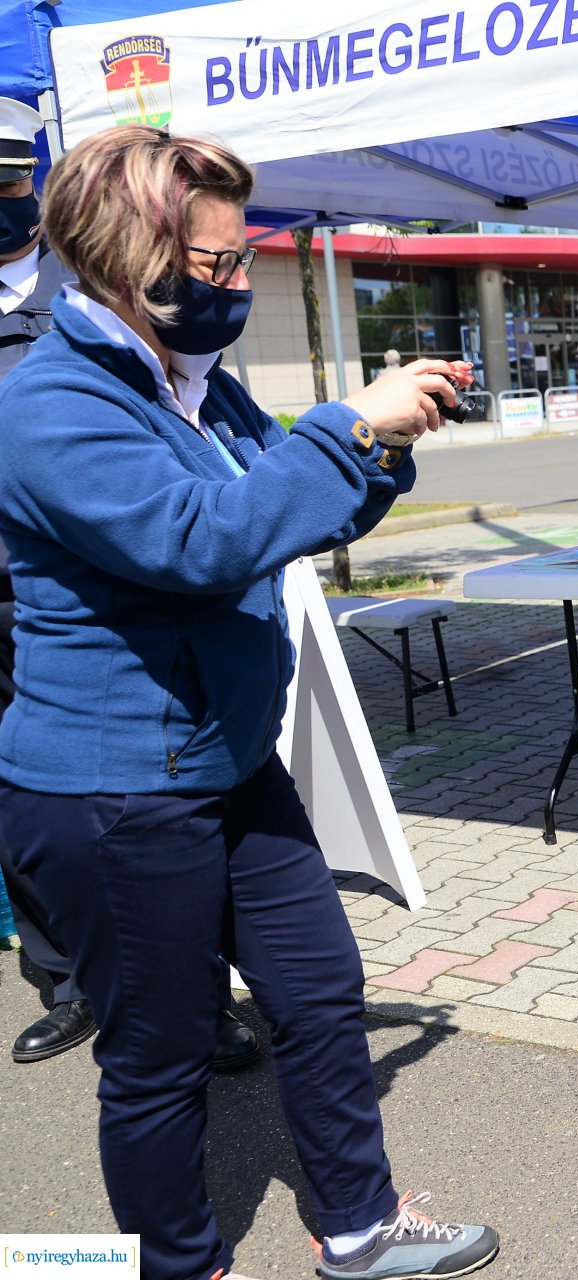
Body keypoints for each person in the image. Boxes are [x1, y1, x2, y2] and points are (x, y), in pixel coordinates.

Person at [0, 125, 498, 1280]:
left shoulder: (196, 386)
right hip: (113, 788)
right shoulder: (49, 405)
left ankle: (360, 1226)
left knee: (321, 994)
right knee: (159, 1059)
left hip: (225, 759)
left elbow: (287, 505)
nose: (235, 282)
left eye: (240, 261)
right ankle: (177, 1265)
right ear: (127, 257)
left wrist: (381, 448)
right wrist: (348, 425)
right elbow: (200, 542)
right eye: (216, 265)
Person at [0, 99, 262, 1073]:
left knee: (159, 844)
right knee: (41, 798)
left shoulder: (116, 322)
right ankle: (72, 982)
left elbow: (205, 526)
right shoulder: (59, 372)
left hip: (117, 624)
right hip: (31, 612)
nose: (0, 196)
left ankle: (183, 998)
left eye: (9, 175)